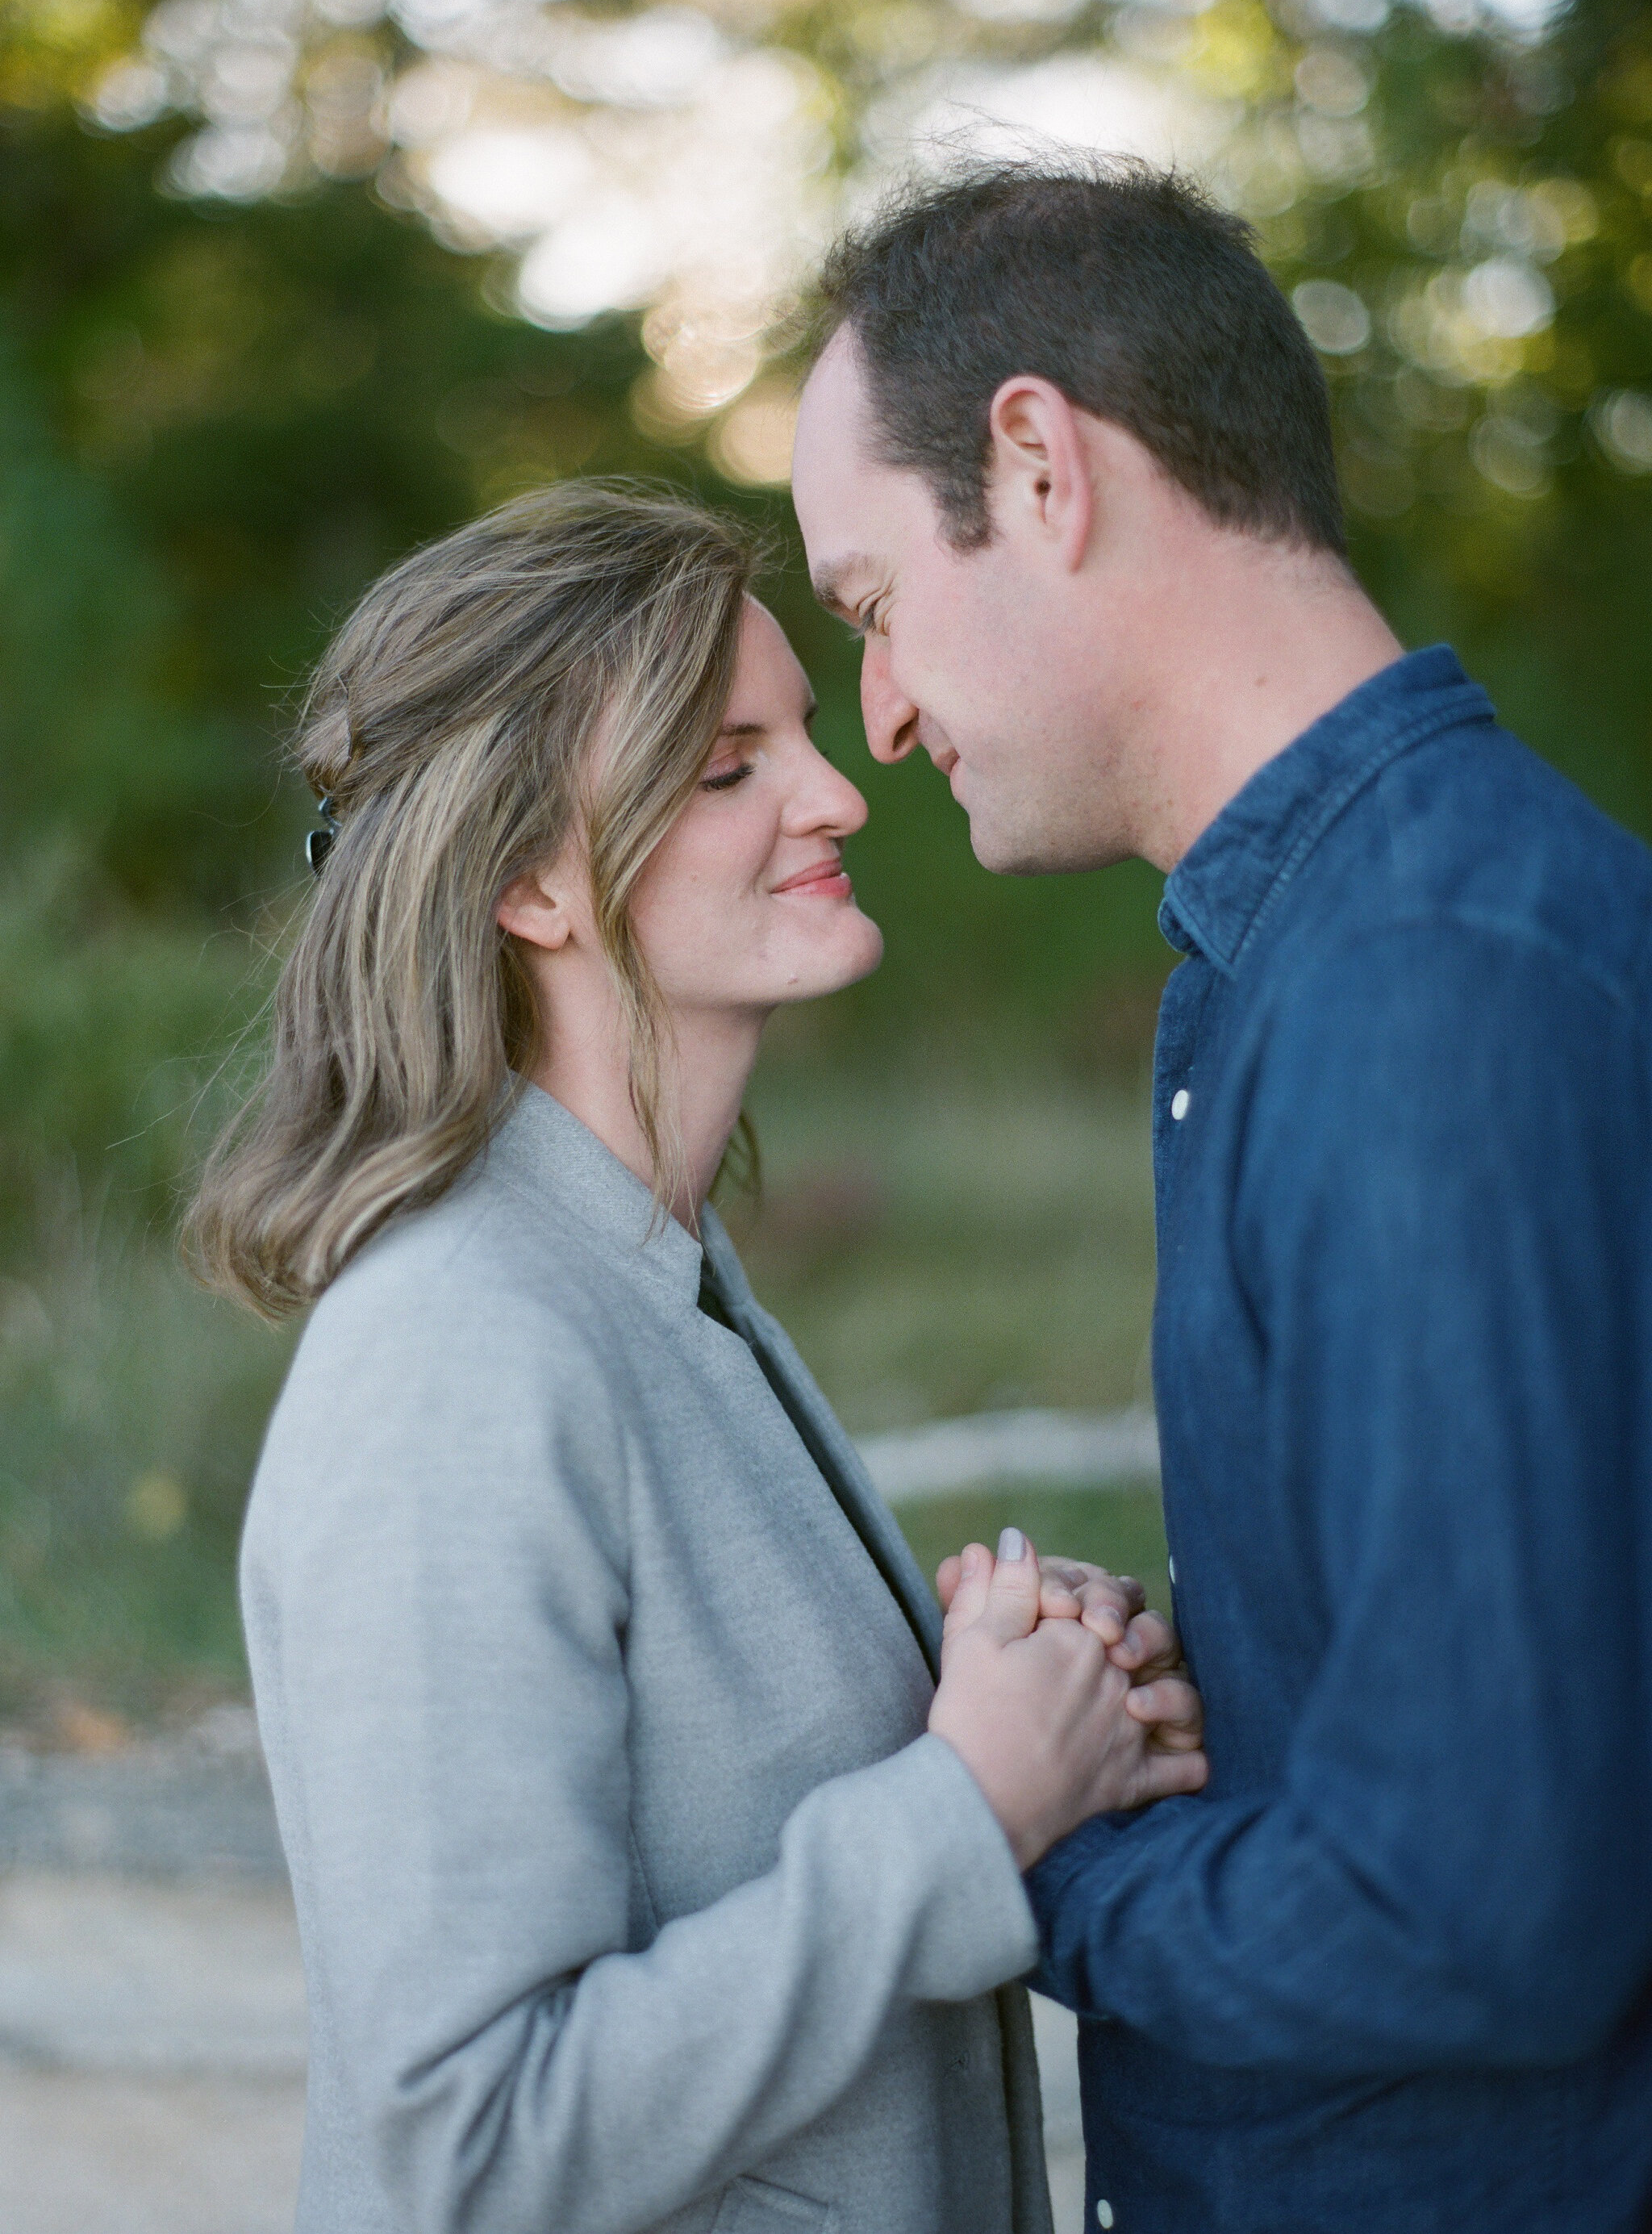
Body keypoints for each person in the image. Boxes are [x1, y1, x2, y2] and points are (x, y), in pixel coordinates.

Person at [791, 161, 1652, 2233]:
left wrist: (1031, 1840)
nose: (881, 709)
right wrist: (1191, 1694)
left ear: (1037, 465)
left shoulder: (1423, 985)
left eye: (870, 604)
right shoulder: (1326, 952)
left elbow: (1480, 1906)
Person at [188, 482, 1207, 2234]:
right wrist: (968, 1807)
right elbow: (473, 2140)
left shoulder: (655, 1273)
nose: (836, 794)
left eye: (798, 734)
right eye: (727, 767)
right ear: (525, 881)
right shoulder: (451, 1359)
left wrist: (1022, 1686)